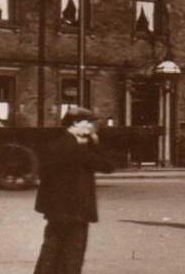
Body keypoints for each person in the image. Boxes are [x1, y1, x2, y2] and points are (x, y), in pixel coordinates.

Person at [33, 107, 114, 274]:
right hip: (76, 210)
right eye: (89, 122)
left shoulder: (55, 144)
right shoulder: (77, 149)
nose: (91, 126)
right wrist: (95, 141)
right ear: (75, 123)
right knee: (73, 254)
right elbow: (108, 166)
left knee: (51, 250)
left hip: (56, 210)